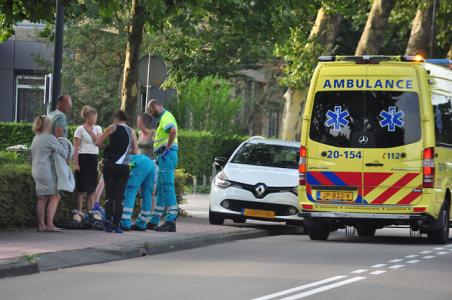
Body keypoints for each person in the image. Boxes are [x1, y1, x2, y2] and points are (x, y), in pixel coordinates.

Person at [96, 110, 137, 233]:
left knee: (110, 195)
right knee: (119, 197)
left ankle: (108, 223)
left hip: (111, 165)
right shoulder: (132, 131)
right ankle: (117, 225)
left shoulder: (112, 127)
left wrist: (108, 148)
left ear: (116, 118)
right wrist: (124, 153)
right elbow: (135, 151)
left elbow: (98, 142)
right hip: (124, 167)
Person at [31, 115, 68, 232]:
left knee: (42, 198)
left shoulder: (36, 138)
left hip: (36, 170)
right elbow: (63, 153)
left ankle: (41, 225)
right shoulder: (49, 138)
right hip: (46, 171)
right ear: (48, 125)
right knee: (55, 196)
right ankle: (50, 224)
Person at [120, 113, 157, 231]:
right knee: (147, 193)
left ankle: (125, 222)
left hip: (143, 163)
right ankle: (142, 223)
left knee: (130, 190)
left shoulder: (152, 133)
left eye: (138, 120)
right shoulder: (137, 133)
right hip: (149, 164)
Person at [147, 100, 179, 232]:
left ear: (156, 106)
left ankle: (171, 220)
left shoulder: (166, 117)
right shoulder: (164, 118)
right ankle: (154, 220)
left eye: (151, 110)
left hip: (167, 155)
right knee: (160, 188)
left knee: (167, 186)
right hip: (164, 157)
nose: (151, 113)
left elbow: (173, 131)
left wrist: (167, 148)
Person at [73, 106, 102, 217]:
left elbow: (98, 142)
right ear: (87, 117)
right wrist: (76, 163)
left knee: (91, 188)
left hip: (93, 158)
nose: (95, 119)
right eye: (93, 117)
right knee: (81, 188)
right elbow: (76, 148)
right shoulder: (79, 129)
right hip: (83, 158)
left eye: (96, 117)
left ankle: (91, 212)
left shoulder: (98, 128)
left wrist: (90, 131)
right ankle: (79, 211)